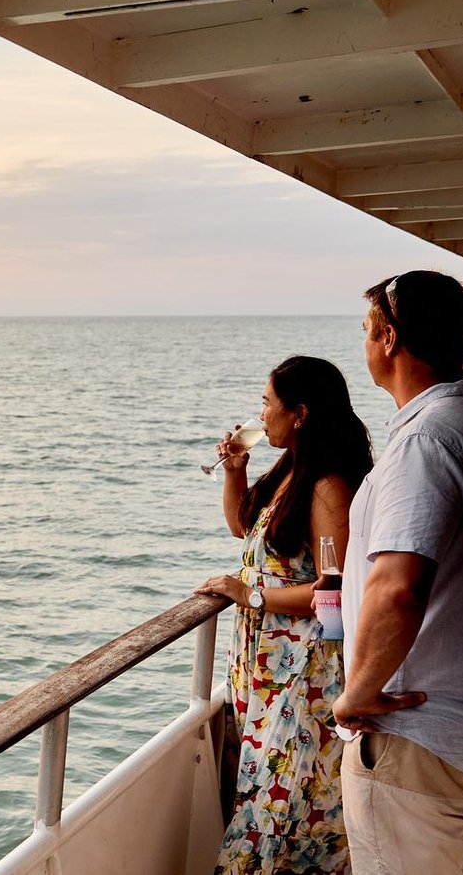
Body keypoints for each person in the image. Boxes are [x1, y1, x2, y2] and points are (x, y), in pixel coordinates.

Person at [333, 271, 463, 875]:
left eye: (368, 332)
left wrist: (357, 694)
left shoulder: (426, 441)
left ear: (390, 337)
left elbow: (397, 587)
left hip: (415, 736)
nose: (366, 345)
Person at [195, 355, 373, 874]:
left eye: (267, 403)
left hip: (302, 667)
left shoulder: (327, 486)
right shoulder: (291, 470)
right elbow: (241, 527)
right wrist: (235, 471)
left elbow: (332, 588)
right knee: (265, 787)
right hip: (265, 661)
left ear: (299, 413)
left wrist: (249, 595)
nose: (260, 414)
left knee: (286, 799)